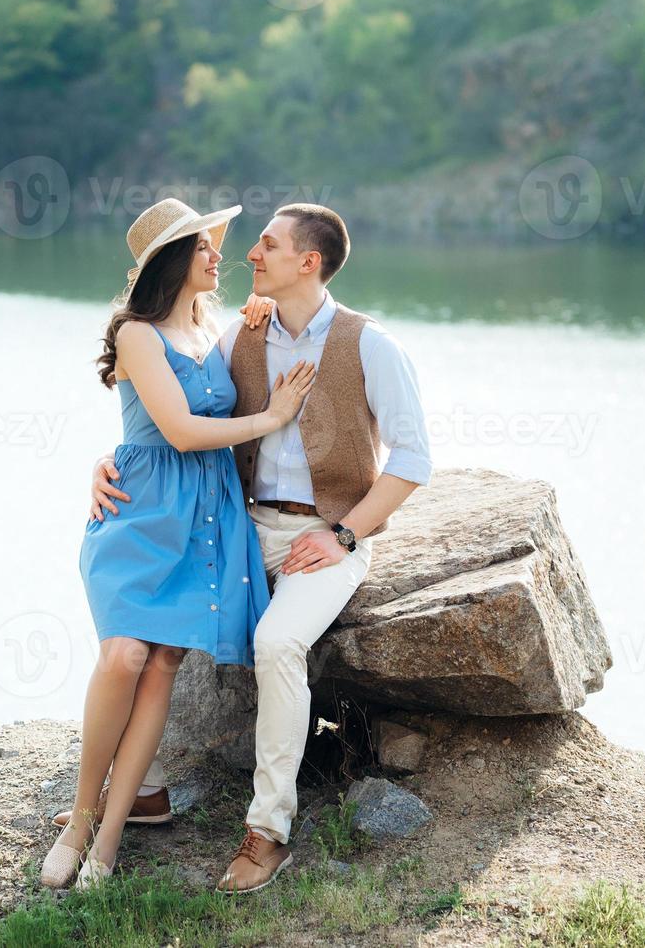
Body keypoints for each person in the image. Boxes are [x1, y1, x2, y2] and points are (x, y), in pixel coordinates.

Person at [85, 203, 433, 893]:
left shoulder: (371, 345)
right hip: (242, 527)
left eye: (267, 245)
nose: (249, 255)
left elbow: (414, 459)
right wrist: (108, 462)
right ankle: (141, 792)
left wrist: (344, 534)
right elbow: (170, 414)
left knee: (276, 644)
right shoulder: (239, 337)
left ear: (309, 262)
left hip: (325, 538)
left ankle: (268, 831)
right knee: (162, 628)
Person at [40, 198, 317, 890]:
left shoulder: (211, 324)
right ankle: (80, 818)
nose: (219, 257)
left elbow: (273, 339)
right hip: (140, 514)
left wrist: (257, 322)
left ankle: (108, 843)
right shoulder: (136, 333)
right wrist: (272, 417)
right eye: (204, 247)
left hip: (204, 515)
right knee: (125, 653)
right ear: (172, 259)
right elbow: (182, 432)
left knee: (162, 662)